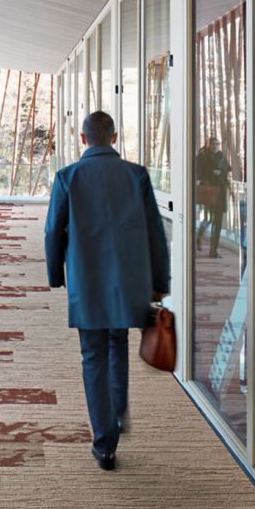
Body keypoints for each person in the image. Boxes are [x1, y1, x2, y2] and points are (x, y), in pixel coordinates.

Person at [45, 111, 170, 471]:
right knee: (117, 343)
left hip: (87, 282)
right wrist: (159, 282)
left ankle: (105, 443)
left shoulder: (68, 177)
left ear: (83, 140)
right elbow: (154, 232)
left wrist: (56, 276)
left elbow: (54, 231)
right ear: (114, 137)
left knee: (93, 356)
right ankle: (117, 412)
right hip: (127, 281)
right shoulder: (136, 175)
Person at [195, 136, 232, 258]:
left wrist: (220, 171)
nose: (216, 146)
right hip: (209, 191)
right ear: (209, 145)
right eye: (214, 144)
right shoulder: (203, 155)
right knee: (209, 219)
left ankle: (213, 249)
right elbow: (197, 171)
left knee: (218, 221)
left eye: (218, 144)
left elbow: (228, 168)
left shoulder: (221, 155)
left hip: (220, 191)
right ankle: (199, 237)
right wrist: (210, 174)